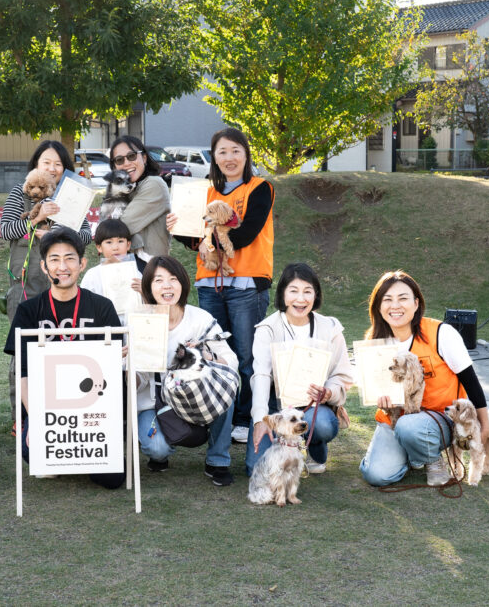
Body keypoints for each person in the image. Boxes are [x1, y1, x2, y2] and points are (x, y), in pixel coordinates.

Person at [166, 127, 274, 445]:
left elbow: (245, 234)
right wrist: (178, 230)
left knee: (246, 355)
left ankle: (245, 418)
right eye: (222, 151)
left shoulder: (260, 187)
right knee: (213, 353)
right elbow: (193, 240)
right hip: (209, 283)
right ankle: (218, 417)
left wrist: (205, 238)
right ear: (214, 156)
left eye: (235, 150)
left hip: (247, 283)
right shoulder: (203, 192)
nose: (229, 158)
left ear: (246, 153)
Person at [4, 228, 125, 489]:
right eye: (55, 259)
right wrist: (36, 418)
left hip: (93, 406)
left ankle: (79, 455)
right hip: (47, 406)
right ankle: (58, 454)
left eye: (70, 258)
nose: (63, 266)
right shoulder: (28, 311)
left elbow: (114, 371)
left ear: (82, 263)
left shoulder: (102, 307)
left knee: (112, 478)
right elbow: (22, 372)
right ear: (44, 267)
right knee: (31, 452)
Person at [358, 270, 489, 487]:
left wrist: (484, 426)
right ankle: (414, 455)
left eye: (403, 298)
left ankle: (432, 460)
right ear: (378, 306)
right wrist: (381, 402)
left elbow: (471, 382)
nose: (395, 306)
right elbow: (377, 390)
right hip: (396, 421)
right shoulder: (375, 341)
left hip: (441, 417)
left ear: (416, 303)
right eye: (387, 300)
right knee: (376, 475)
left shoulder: (442, 333)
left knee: (409, 427)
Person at [0, 140, 92, 420]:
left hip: (63, 285)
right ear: (35, 165)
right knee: (23, 352)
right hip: (25, 282)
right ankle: (23, 417)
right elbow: (6, 231)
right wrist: (34, 221)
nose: (51, 169)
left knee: (62, 349)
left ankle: (58, 411)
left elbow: (87, 235)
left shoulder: (74, 195)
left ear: (65, 169)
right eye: (46, 163)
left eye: (58, 164)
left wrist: (58, 232)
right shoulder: (21, 192)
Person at [136, 256, 238, 486]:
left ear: (182, 284)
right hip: (156, 401)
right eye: (158, 280)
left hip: (197, 394)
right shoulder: (141, 321)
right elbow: (135, 382)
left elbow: (231, 361)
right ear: (149, 288)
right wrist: (130, 363)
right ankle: (160, 453)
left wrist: (206, 355)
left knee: (227, 390)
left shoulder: (200, 319)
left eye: (173, 279)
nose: (167, 286)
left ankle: (218, 460)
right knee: (156, 448)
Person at [245, 263, 352, 477]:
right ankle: (285, 442)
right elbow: (261, 375)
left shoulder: (330, 327)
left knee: (322, 424)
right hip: (276, 405)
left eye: (307, 291)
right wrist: (260, 420)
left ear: (316, 295)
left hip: (313, 405)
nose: (300, 299)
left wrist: (328, 392)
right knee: (258, 469)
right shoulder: (267, 328)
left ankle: (315, 448)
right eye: (293, 291)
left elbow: (342, 374)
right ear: (282, 294)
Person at [107, 136, 171, 258]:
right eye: (119, 160)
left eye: (132, 156)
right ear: (114, 167)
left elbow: (119, 229)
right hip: (125, 268)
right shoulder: (126, 189)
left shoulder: (154, 184)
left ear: (144, 158)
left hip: (150, 270)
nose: (126, 163)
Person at [78, 218, 145, 299]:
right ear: (99, 247)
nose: (115, 247)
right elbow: (84, 302)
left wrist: (144, 292)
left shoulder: (135, 274)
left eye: (120, 241)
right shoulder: (92, 275)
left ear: (128, 245)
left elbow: (144, 304)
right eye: (109, 242)